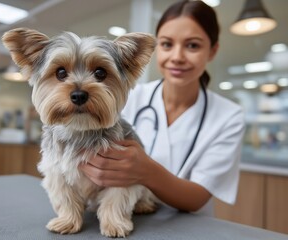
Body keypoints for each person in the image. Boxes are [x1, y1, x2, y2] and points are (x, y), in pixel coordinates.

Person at [79, 0, 245, 216]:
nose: (177, 57)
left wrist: (145, 171)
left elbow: (197, 198)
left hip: (189, 225)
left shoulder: (229, 116)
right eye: (167, 44)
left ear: (212, 51)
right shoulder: (130, 97)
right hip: (124, 214)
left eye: (192, 45)